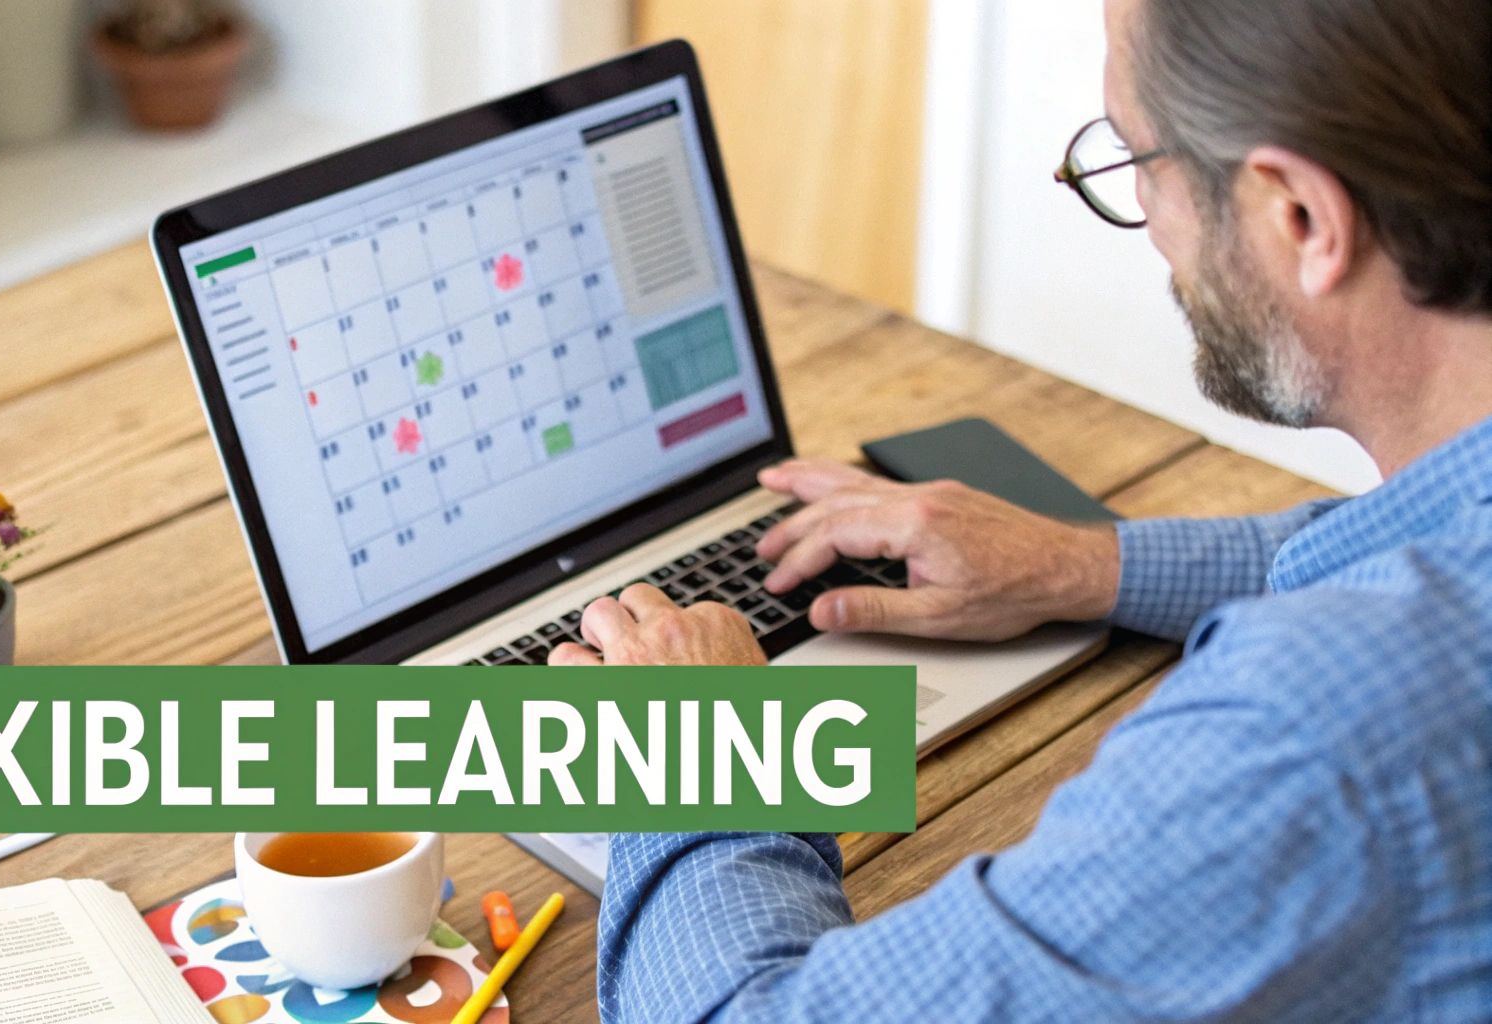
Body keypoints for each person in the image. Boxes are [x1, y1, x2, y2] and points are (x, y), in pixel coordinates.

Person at [555, 0, 1492, 1019]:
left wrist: (704, 746)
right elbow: (1421, 544)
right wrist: (1083, 566)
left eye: (1138, 159)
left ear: (1298, 217)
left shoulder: (1305, 737)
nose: (1146, 217)